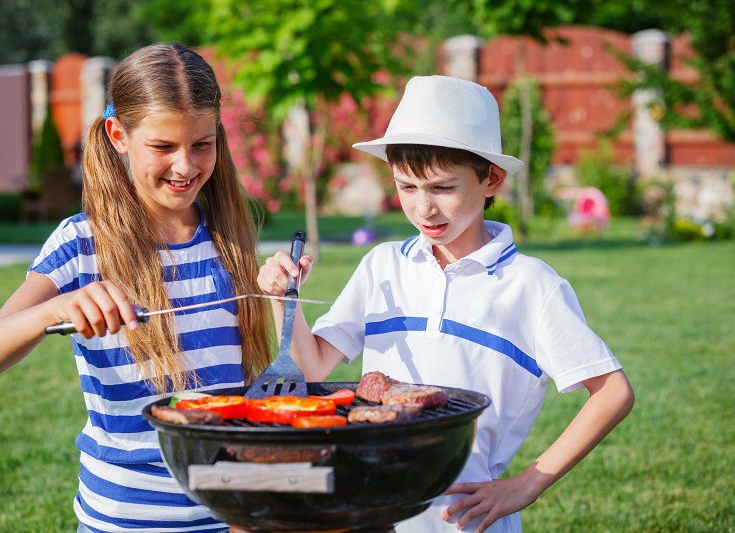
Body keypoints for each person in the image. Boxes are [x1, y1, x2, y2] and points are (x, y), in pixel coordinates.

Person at [257, 76, 635, 533]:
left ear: (491, 179)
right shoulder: (382, 266)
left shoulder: (531, 286)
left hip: (463, 520)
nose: (424, 209)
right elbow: (312, 366)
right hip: (371, 512)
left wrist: (527, 484)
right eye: (407, 187)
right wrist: (283, 300)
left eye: (441, 188)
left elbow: (613, 392)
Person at [0, 43, 270, 533]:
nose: (185, 166)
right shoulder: (82, 243)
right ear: (119, 136)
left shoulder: (229, 235)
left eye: (202, 143)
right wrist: (57, 309)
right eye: (163, 147)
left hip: (228, 513)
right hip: (125, 519)